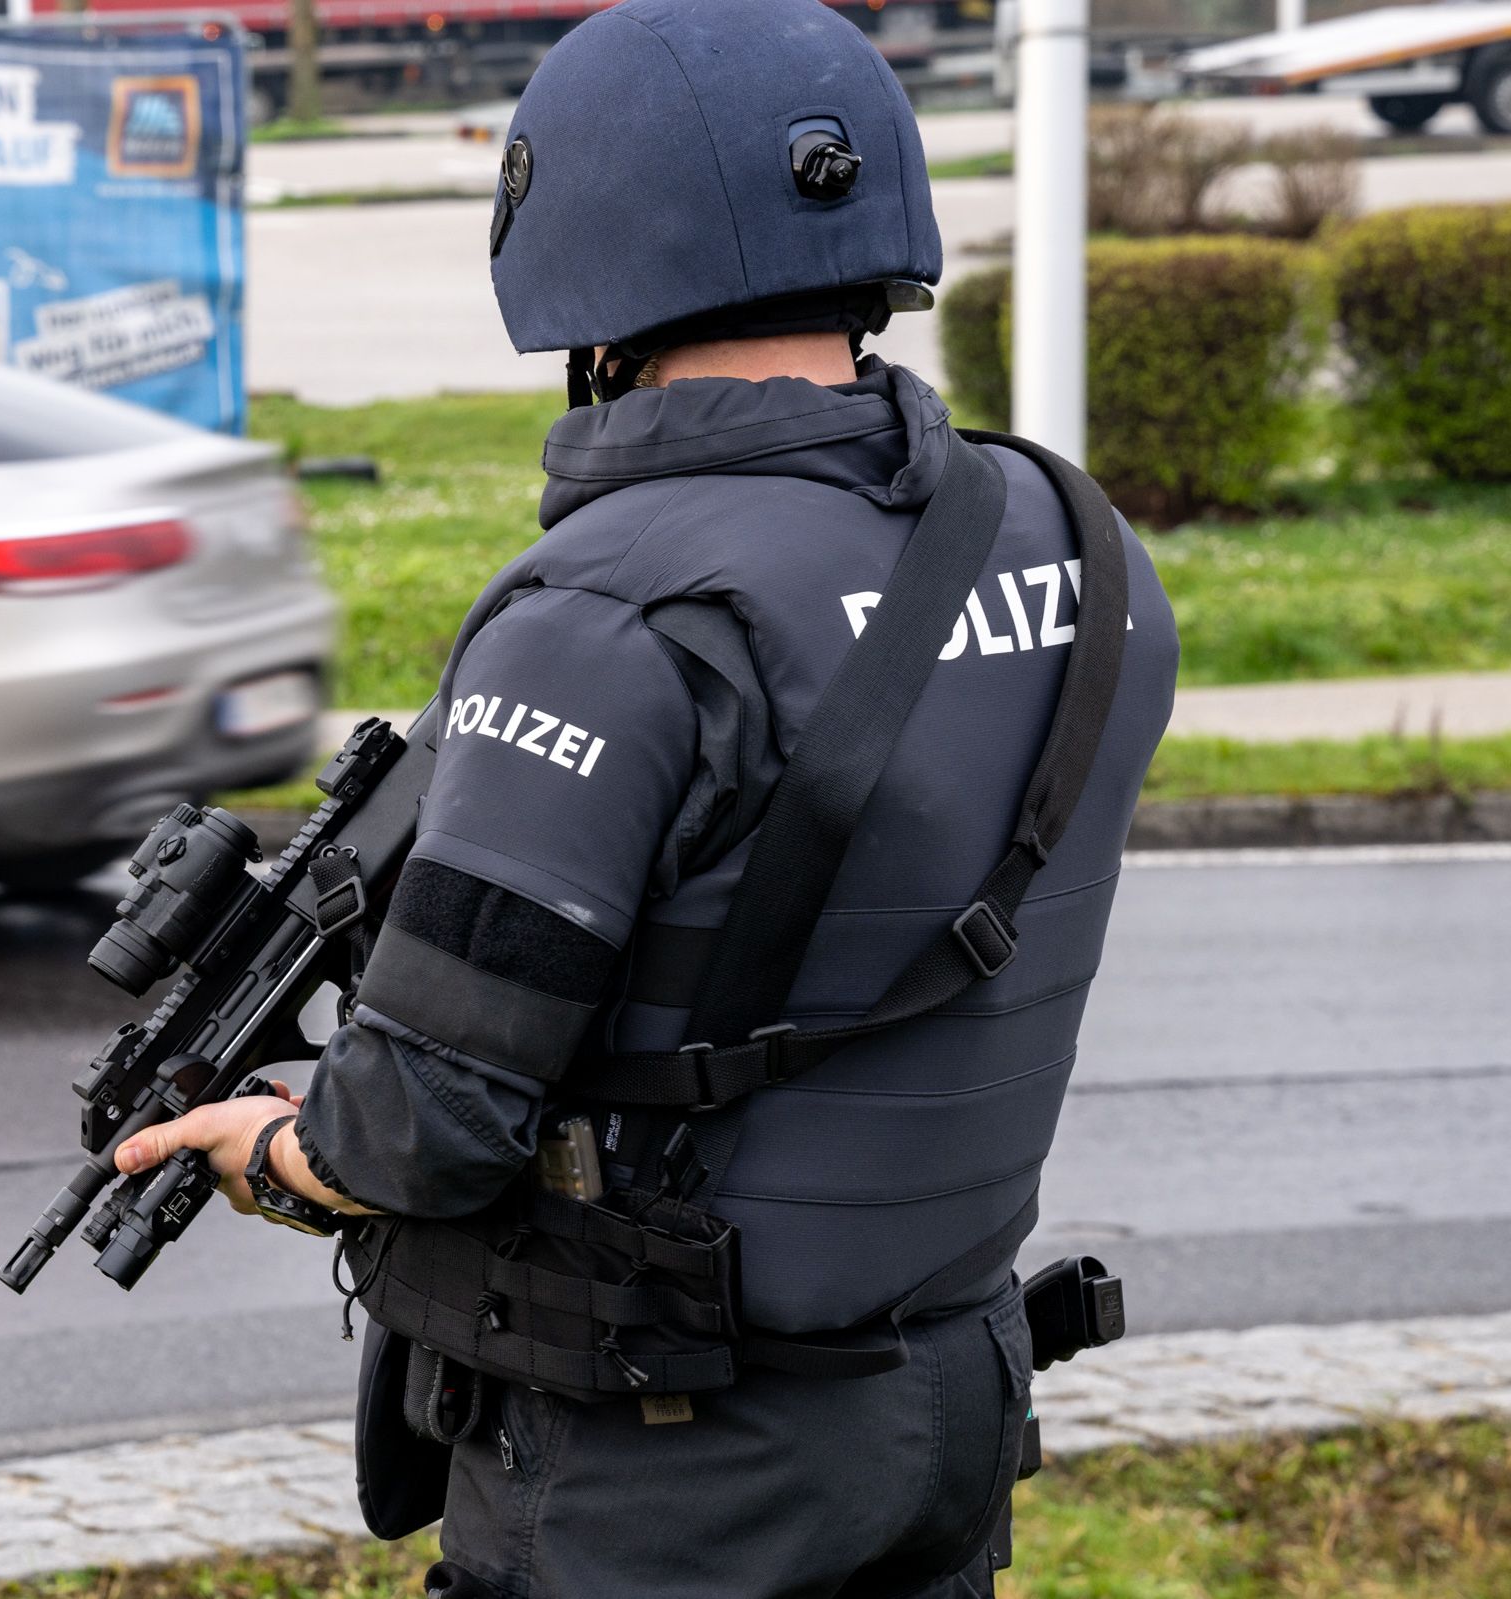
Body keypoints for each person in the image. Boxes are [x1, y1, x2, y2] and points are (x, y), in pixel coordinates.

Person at [107, 0, 1182, 1595]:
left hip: (671, 1478)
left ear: (583, 245)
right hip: (948, 1406)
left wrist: (267, 1142)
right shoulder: (1078, 546)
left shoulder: (604, 615)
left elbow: (426, 1124)